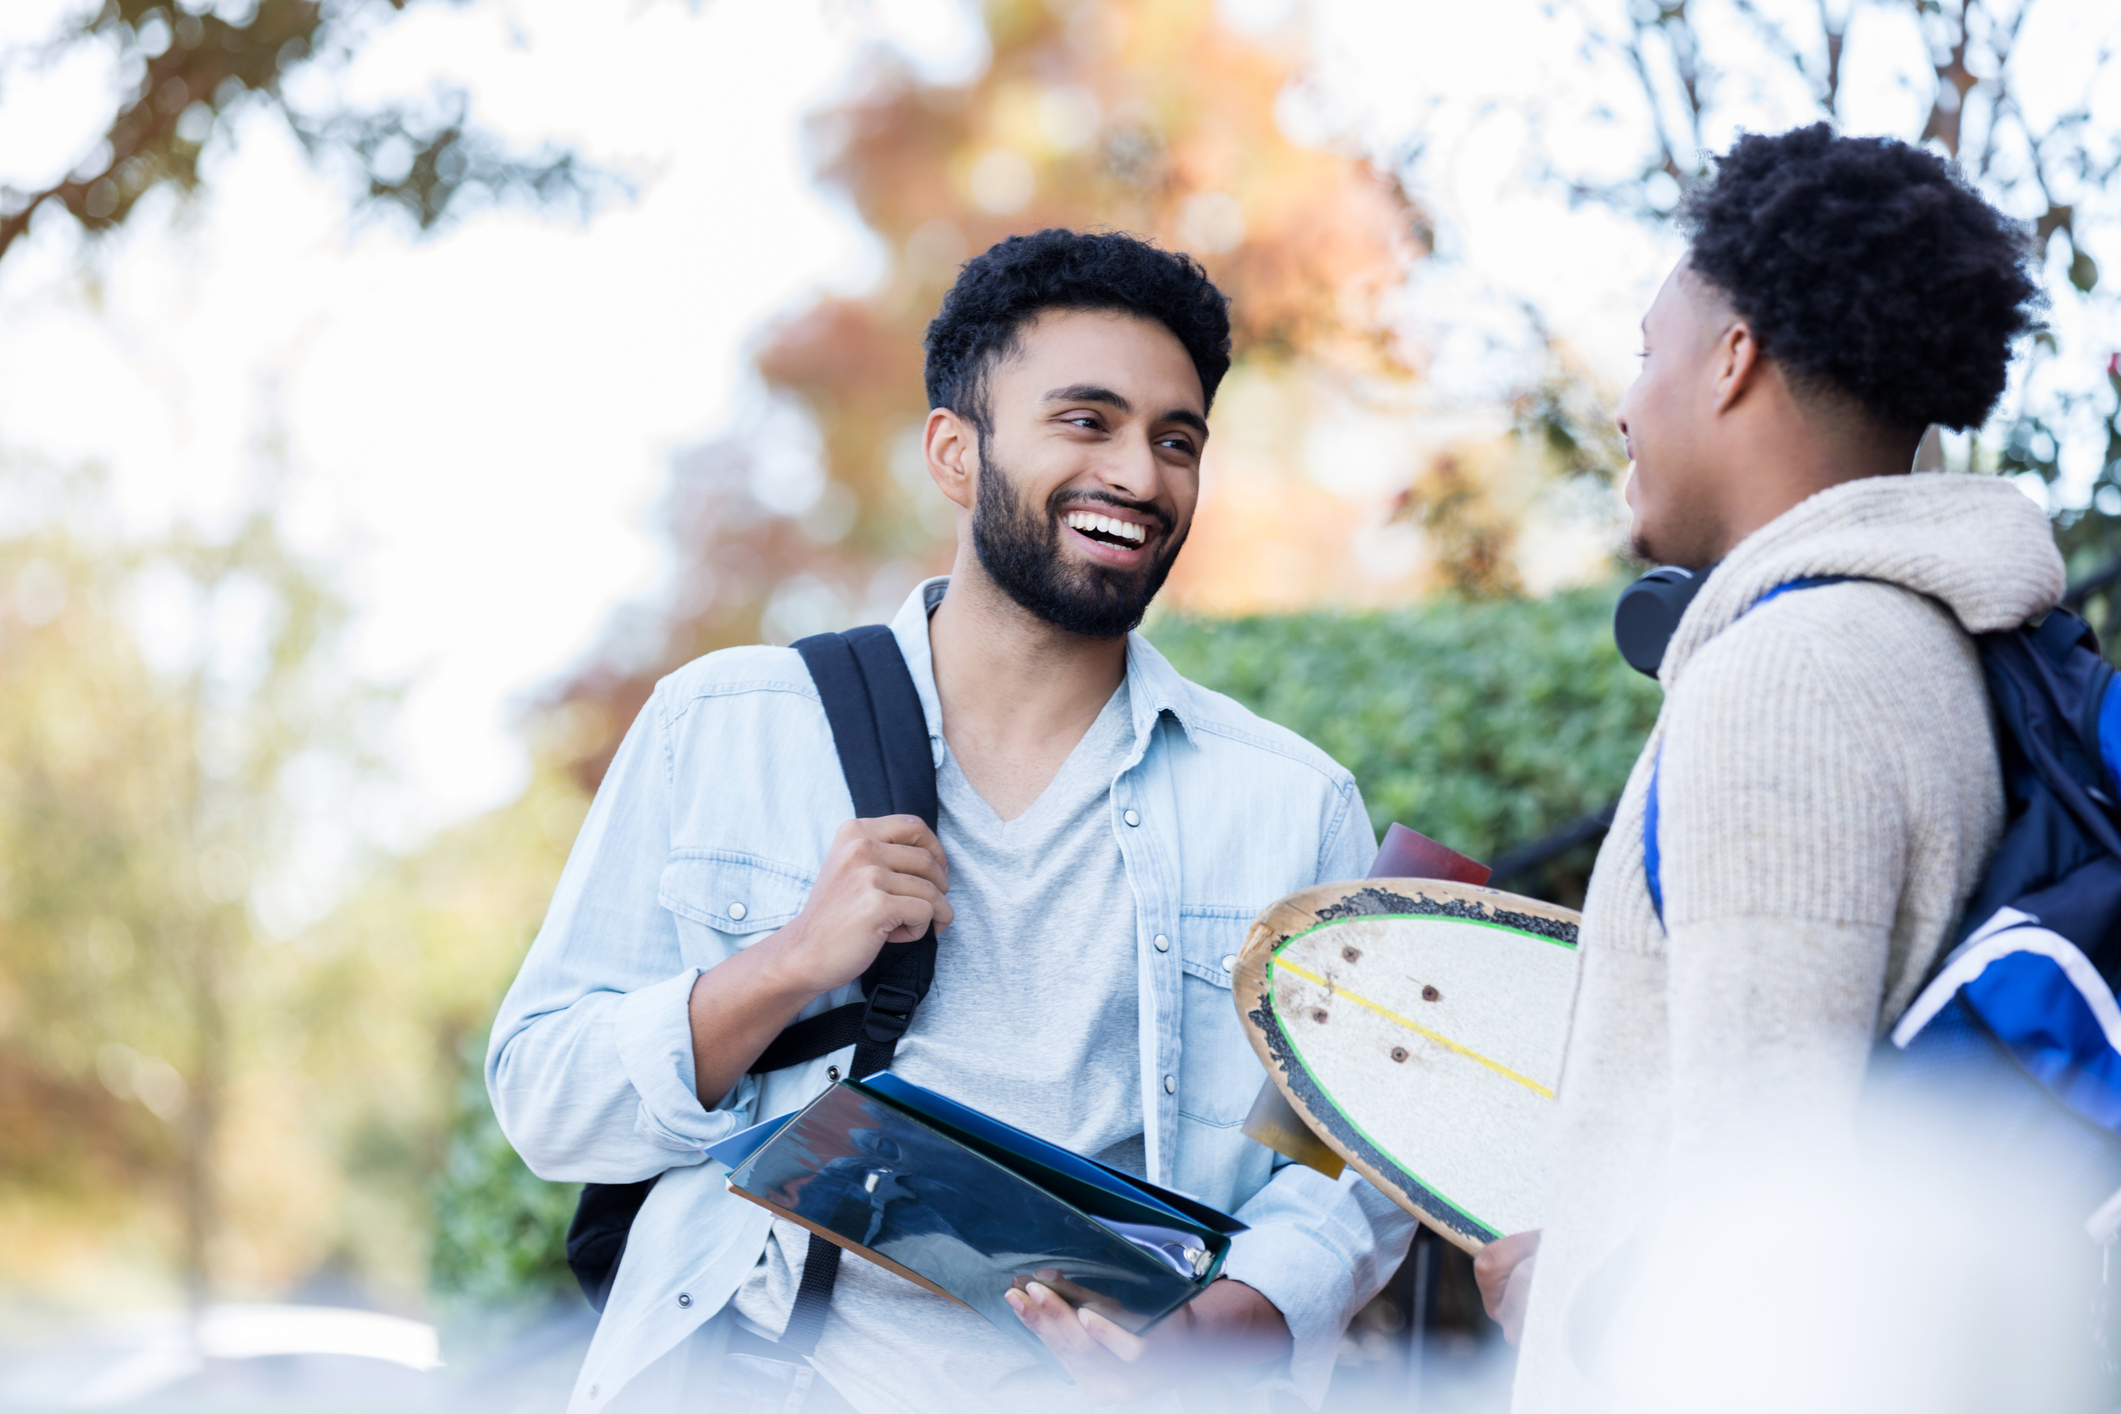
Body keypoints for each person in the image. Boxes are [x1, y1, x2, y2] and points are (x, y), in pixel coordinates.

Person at [487, 227, 1415, 1414]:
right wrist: (783, 967)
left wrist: (1252, 1311)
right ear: (955, 452)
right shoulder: (724, 723)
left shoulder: (1291, 806)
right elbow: (545, 1094)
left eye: (1175, 440)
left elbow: (1339, 1157)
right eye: (1086, 421)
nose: (1140, 473)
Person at [1475, 125, 2064, 1411]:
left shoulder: (1792, 676)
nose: (1627, 403)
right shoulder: (1926, 642)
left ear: (1734, 358)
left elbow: (1766, 1196)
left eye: (1646, 351)